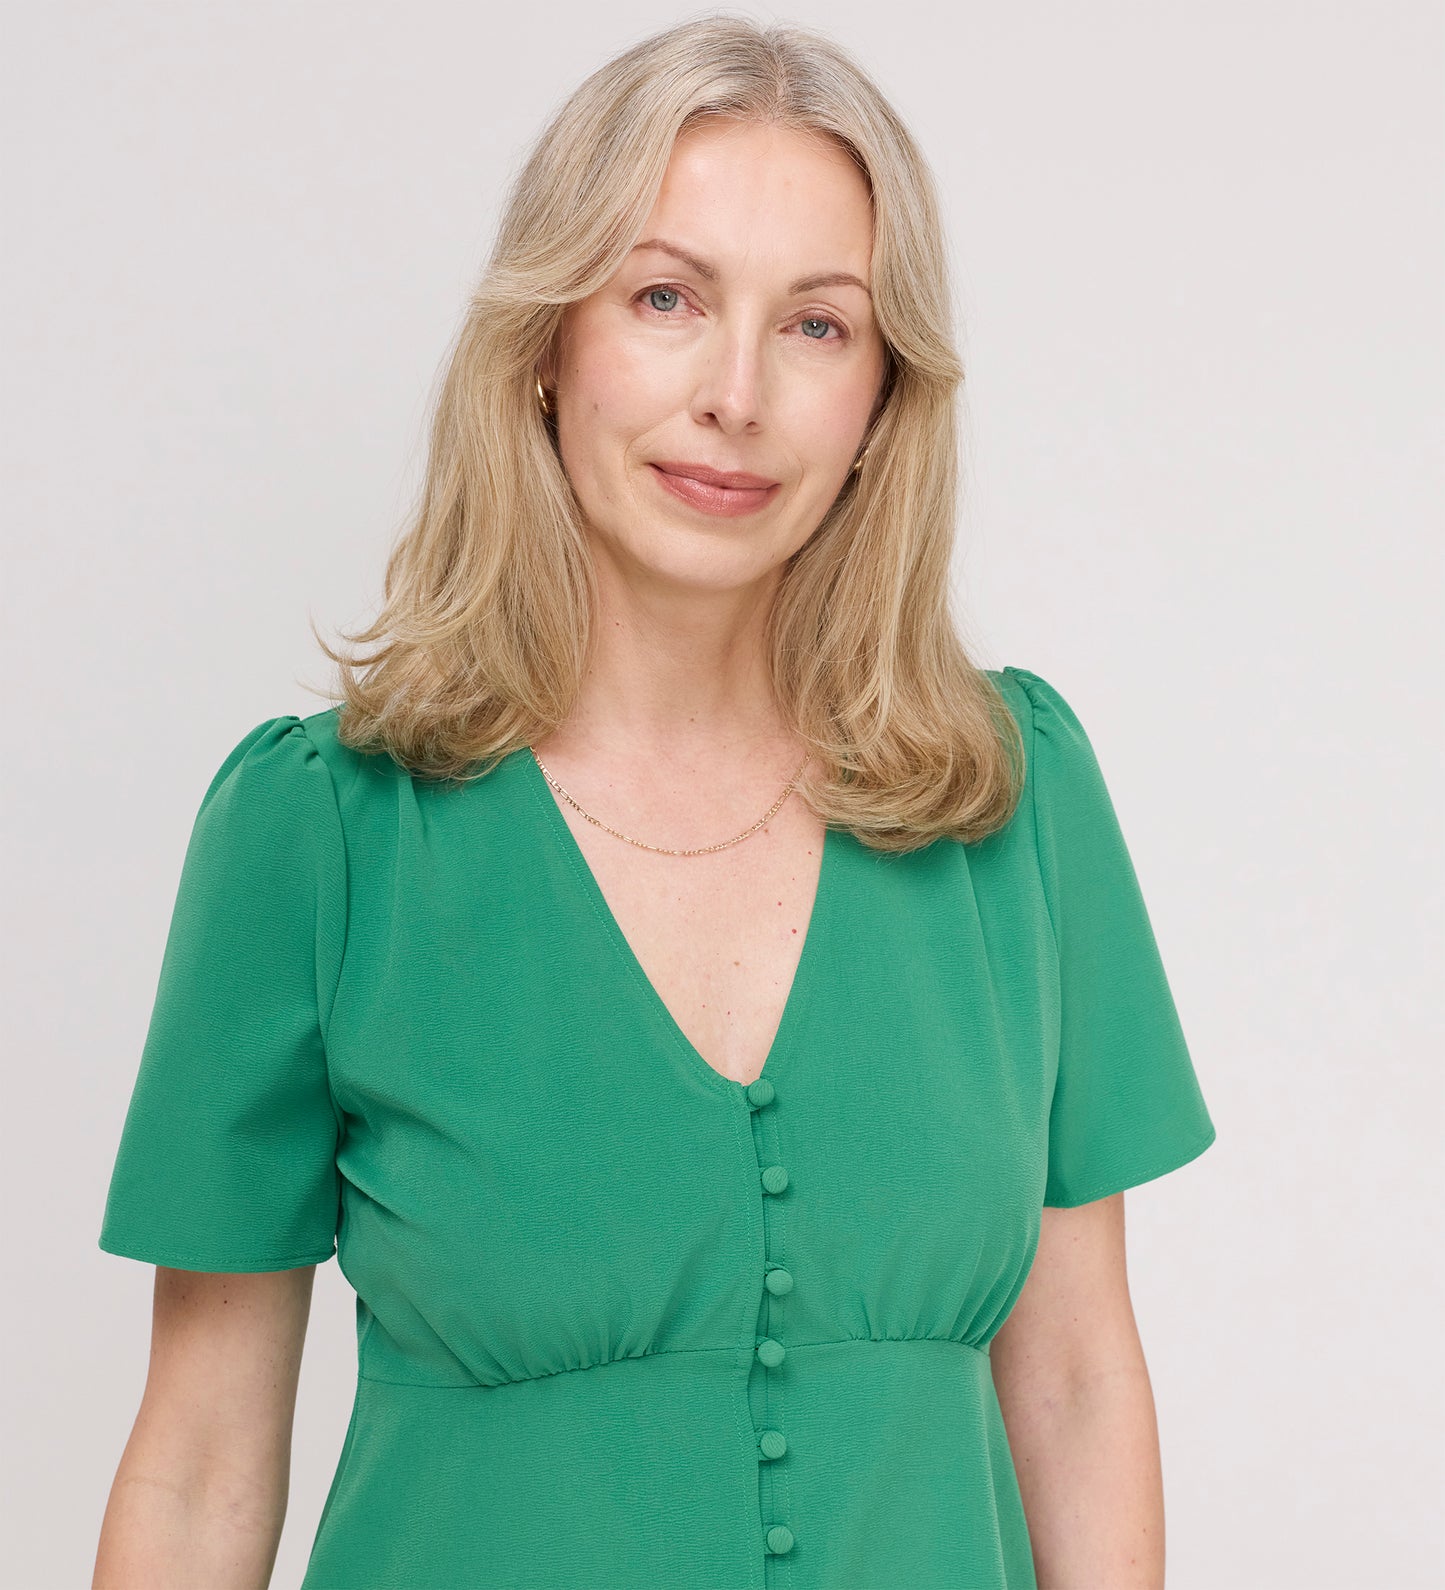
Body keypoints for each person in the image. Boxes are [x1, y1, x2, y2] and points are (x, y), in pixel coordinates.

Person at [92, 17, 1217, 1590]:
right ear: (549, 343)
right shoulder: (323, 831)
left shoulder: (1008, 801)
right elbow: (202, 1456)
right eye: (666, 298)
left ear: (883, 397)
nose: (735, 395)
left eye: (818, 326)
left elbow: (1082, 1381)